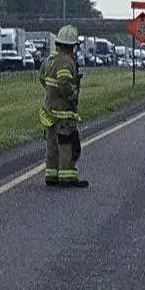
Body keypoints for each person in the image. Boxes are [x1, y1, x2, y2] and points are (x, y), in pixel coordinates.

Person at [41, 26, 87, 187]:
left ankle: (51, 175)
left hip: (49, 111)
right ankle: (67, 176)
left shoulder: (50, 60)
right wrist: (73, 93)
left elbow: (42, 79)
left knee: (52, 146)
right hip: (63, 113)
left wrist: (50, 93)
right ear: (71, 46)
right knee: (67, 144)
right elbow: (65, 83)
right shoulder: (66, 62)